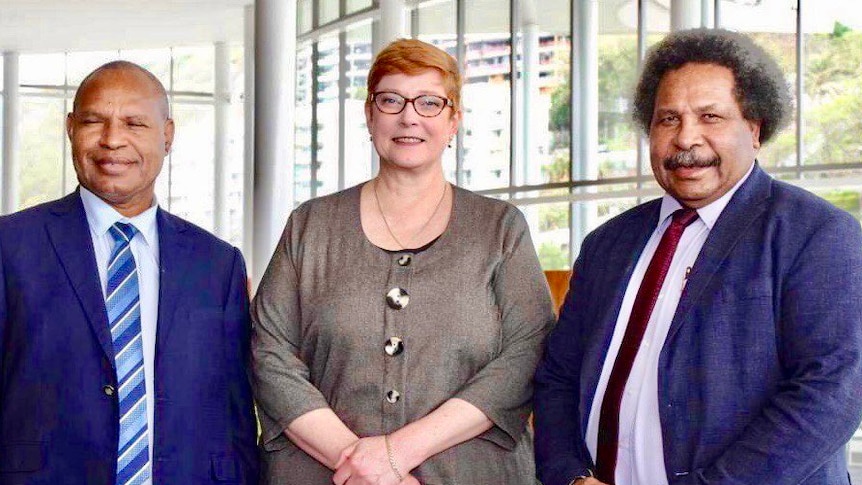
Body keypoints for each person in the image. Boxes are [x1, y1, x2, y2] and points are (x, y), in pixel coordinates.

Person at [533, 28, 862, 485]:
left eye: (710, 117)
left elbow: (831, 394)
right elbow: (557, 378)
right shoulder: (608, 243)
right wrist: (569, 476)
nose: (687, 138)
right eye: (668, 119)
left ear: (754, 128)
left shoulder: (817, 234)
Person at [251, 38, 556, 484]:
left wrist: (397, 453)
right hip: (324, 473)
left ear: (454, 121)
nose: (409, 116)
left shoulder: (500, 228)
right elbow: (269, 353)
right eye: (391, 100)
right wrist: (361, 465)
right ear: (369, 114)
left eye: (430, 102)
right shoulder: (310, 225)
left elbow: (527, 353)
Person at [0, 61, 259, 484]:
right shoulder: (10, 247)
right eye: (93, 121)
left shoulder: (218, 264)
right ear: (70, 129)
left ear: (167, 135)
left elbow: (234, 415)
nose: (112, 140)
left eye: (135, 123)